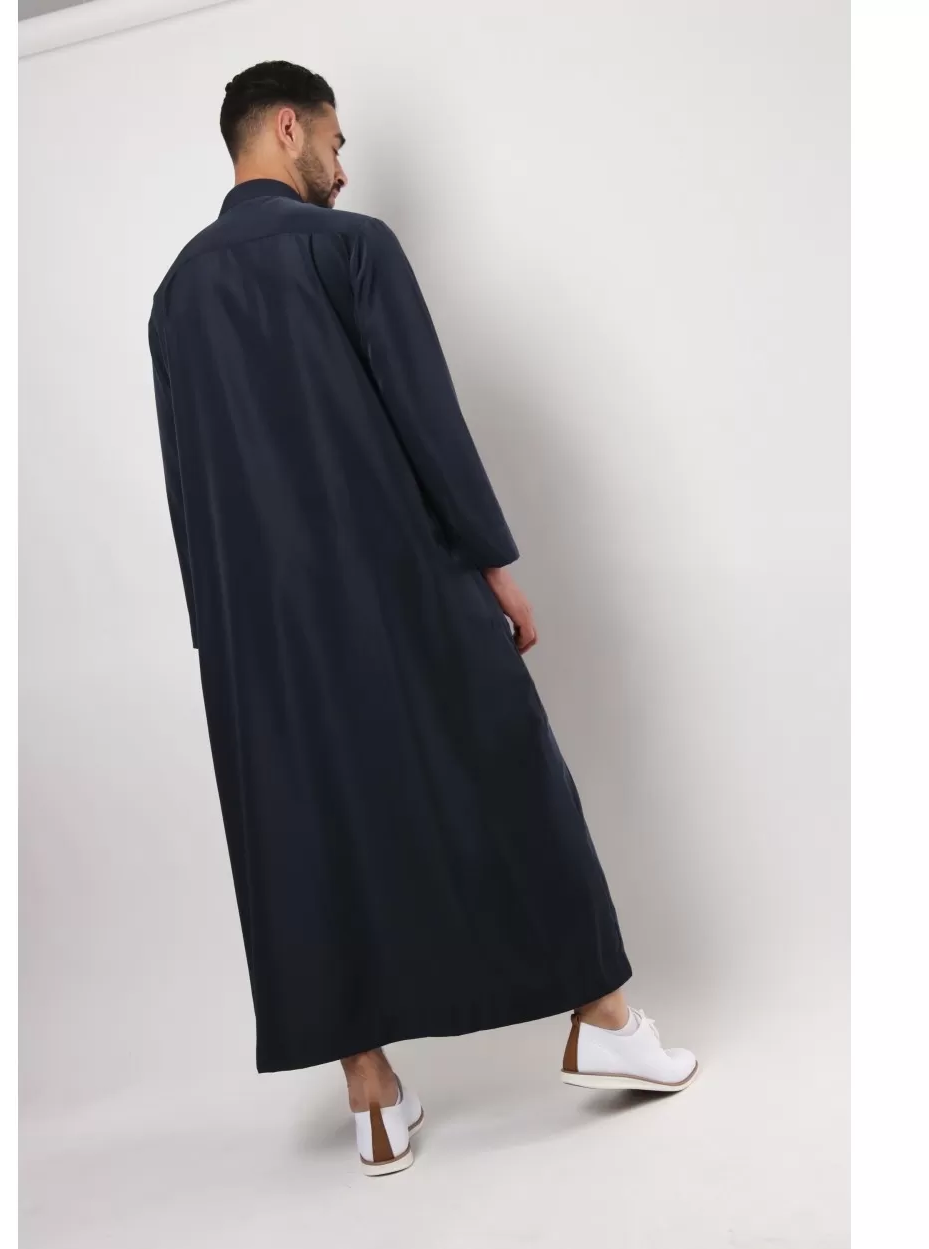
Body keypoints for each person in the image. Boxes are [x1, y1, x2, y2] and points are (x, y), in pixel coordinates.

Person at [147, 59, 697, 1177]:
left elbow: (187, 481)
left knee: (310, 831)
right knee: (507, 768)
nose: (342, 169)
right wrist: (493, 563)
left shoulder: (174, 295)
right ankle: (603, 1021)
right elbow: (426, 417)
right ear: (288, 125)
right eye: (335, 143)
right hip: (396, 582)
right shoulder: (350, 248)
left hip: (257, 629)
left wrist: (219, 636)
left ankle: (374, 1096)